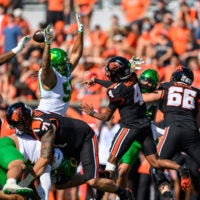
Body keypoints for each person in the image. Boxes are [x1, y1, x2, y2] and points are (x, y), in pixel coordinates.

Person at [80, 56, 190, 192]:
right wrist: (96, 80)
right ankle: (181, 168)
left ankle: (103, 195)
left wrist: (91, 113)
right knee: (154, 162)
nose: (146, 83)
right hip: (146, 126)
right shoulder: (133, 79)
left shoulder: (118, 90)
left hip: (130, 127)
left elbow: (106, 116)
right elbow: (118, 85)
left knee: (110, 163)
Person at [5, 102, 134, 200]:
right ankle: (97, 176)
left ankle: (123, 192)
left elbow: (44, 159)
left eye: (18, 125)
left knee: (92, 181)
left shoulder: (41, 126)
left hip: (84, 138)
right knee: (60, 184)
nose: (17, 129)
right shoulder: (33, 122)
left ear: (26, 120)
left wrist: (26, 182)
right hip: (66, 144)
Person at [142, 65, 200, 192]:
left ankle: (167, 194)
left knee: (156, 166)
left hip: (173, 131)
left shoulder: (167, 87)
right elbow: (198, 120)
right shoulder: (196, 93)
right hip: (192, 133)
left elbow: (143, 99)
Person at [0, 132, 77, 200]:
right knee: (19, 165)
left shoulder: (43, 159)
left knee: (14, 196)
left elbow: (31, 178)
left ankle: (11, 183)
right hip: (6, 145)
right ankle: (11, 182)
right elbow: (44, 187)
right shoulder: (48, 157)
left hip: (7, 161)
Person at [37, 13, 84, 116]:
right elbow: (45, 67)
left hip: (56, 118)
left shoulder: (64, 71)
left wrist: (80, 32)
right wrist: (47, 44)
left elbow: (76, 54)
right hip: (45, 117)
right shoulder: (49, 75)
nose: (67, 63)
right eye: (63, 62)